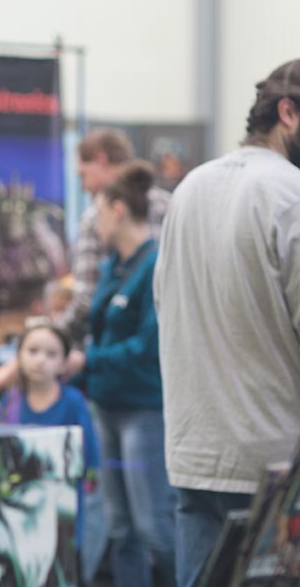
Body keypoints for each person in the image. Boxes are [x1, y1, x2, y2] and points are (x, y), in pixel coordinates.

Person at [153, 59, 300, 587]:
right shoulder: (291, 194)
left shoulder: (189, 189)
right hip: (275, 466)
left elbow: (163, 303)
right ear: (288, 113)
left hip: (196, 451)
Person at [0, 128, 171, 402]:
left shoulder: (123, 242)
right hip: (121, 382)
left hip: (136, 385)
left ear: (101, 160)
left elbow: (86, 304)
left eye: (83, 174)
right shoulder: (167, 210)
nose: (83, 186)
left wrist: (52, 342)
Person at [68, 160, 175, 587]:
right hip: (106, 408)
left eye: (96, 213)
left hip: (142, 412)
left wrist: (87, 361)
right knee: (120, 527)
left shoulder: (155, 266)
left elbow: (148, 346)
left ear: (117, 210)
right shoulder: (113, 266)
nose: (92, 225)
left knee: (154, 526)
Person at [0, 317, 100, 580]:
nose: (40, 360)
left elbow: (89, 462)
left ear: (64, 362)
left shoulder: (74, 403)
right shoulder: (11, 401)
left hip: (63, 521)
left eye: (51, 354)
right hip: (19, 522)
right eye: (32, 351)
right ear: (19, 356)